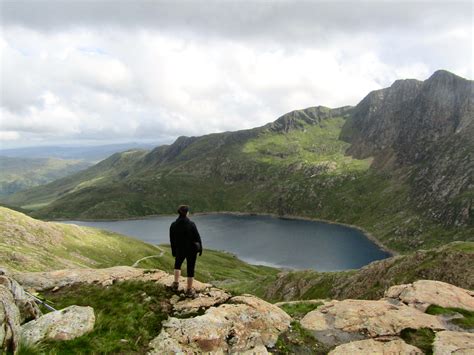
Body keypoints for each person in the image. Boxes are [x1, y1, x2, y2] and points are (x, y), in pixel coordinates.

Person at [169, 205, 203, 297]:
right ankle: (189, 290)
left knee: (177, 265)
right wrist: (200, 249)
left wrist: (173, 251)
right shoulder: (191, 224)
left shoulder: (173, 225)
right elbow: (197, 238)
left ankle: (175, 284)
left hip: (179, 249)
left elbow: (172, 240)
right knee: (190, 269)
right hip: (191, 249)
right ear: (187, 213)